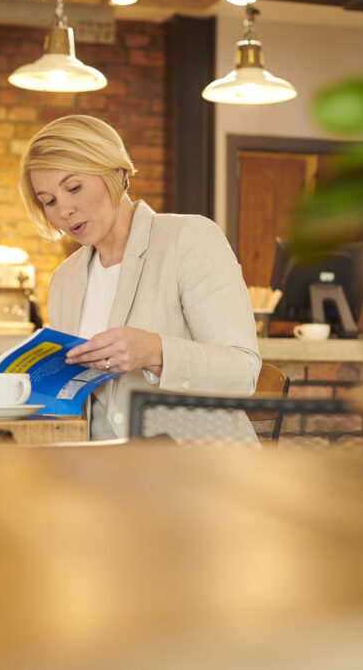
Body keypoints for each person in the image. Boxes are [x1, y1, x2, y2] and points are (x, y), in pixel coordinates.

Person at [18, 115, 260, 441]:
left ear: (116, 173)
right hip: (103, 475)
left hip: (198, 471)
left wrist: (153, 351)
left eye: (73, 187)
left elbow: (242, 372)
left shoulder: (188, 238)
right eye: (48, 201)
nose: (63, 210)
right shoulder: (66, 279)